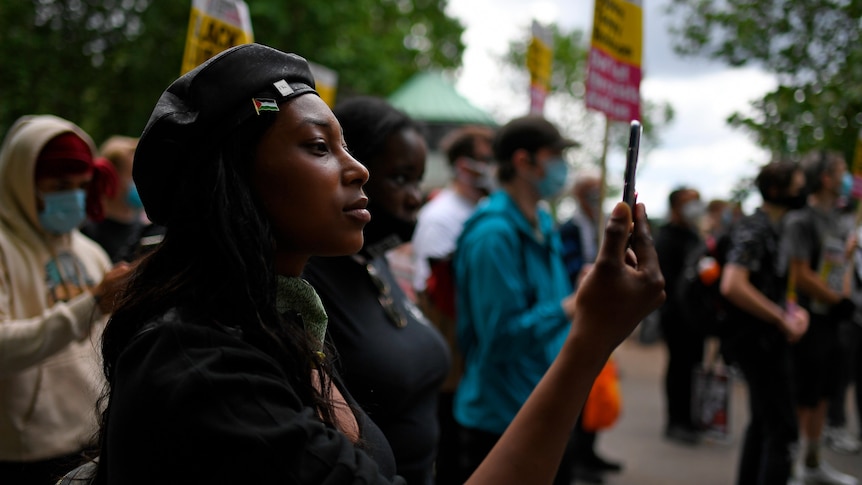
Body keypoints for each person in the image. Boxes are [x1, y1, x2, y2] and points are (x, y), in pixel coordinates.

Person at [70, 43, 664, 485]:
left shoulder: (281, 323)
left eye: (349, 147)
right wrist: (587, 338)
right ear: (235, 179)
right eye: (320, 148)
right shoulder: (202, 370)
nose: (360, 172)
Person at [302, 96, 450, 485]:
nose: (415, 197)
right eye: (399, 178)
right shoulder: (305, 284)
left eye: (417, 180)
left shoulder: (373, 259)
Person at [0, 115, 131, 485]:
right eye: (59, 185)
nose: (72, 196)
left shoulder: (91, 253)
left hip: (92, 441)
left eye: (81, 185)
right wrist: (90, 305)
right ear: (22, 182)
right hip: (22, 455)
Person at [452, 114, 582, 484]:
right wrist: (570, 307)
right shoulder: (493, 236)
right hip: (503, 421)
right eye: (555, 156)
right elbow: (501, 337)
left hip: (547, 407)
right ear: (524, 162)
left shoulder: (541, 221)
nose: (563, 168)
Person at [409, 123, 495, 485]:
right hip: (449, 345)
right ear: (463, 166)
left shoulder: (484, 210)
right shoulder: (440, 216)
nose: (493, 167)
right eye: (485, 160)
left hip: (470, 347)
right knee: (451, 444)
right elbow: (438, 294)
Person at [718, 160, 809, 485]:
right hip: (758, 342)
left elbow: (770, 282)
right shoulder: (756, 227)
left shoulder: (774, 226)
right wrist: (781, 319)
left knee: (763, 424)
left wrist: (791, 311)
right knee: (782, 429)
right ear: (776, 190)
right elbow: (733, 284)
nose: (803, 192)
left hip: (763, 339)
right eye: (798, 186)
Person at [782, 150, 859, 485]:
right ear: (825, 178)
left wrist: (842, 298)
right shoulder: (801, 220)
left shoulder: (839, 220)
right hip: (808, 322)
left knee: (826, 393)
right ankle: (793, 467)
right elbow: (798, 273)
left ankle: (813, 463)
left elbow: (841, 267)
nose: (847, 179)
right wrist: (833, 298)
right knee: (805, 394)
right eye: (841, 172)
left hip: (833, 322)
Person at [558, 170, 624, 484]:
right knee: (579, 388)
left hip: (600, 315)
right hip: (575, 316)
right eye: (591, 192)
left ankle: (589, 451)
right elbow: (568, 269)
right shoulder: (569, 230)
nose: (597, 197)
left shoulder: (602, 227)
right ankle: (576, 457)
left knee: (599, 387)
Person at [655, 186, 707, 445]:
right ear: (675, 206)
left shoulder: (694, 236)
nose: (695, 207)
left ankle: (690, 418)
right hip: (676, 317)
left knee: (692, 369)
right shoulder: (666, 238)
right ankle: (676, 421)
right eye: (689, 202)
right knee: (679, 368)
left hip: (696, 318)